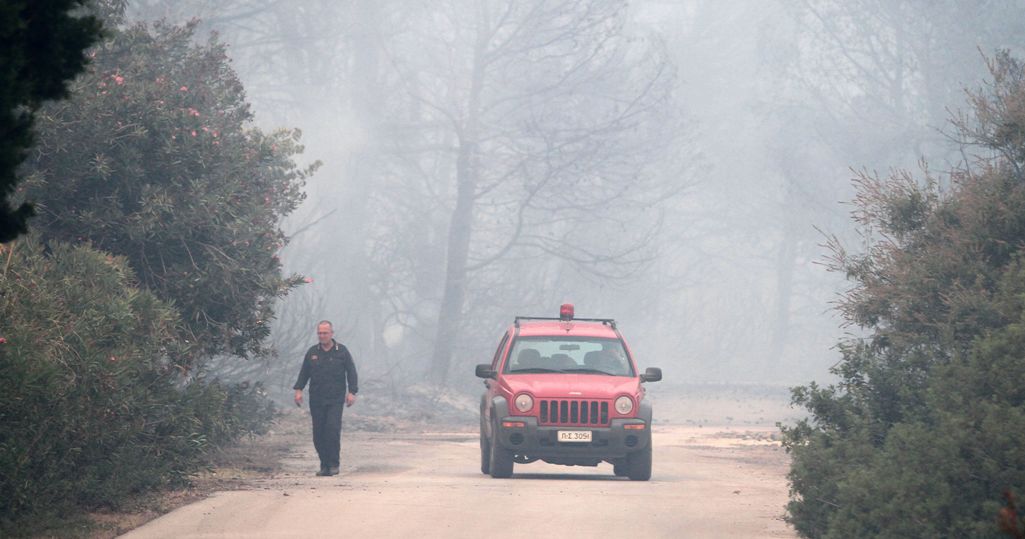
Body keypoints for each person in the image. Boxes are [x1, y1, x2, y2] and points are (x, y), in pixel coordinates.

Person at [294, 320, 358, 476]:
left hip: (335, 398)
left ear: (331, 334)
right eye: (320, 333)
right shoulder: (312, 352)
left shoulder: (341, 351)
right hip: (317, 398)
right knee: (318, 434)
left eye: (325, 333)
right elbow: (304, 373)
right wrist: (298, 390)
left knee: (332, 430)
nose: (322, 336)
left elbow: (351, 372)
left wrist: (352, 392)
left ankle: (334, 464)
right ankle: (324, 464)